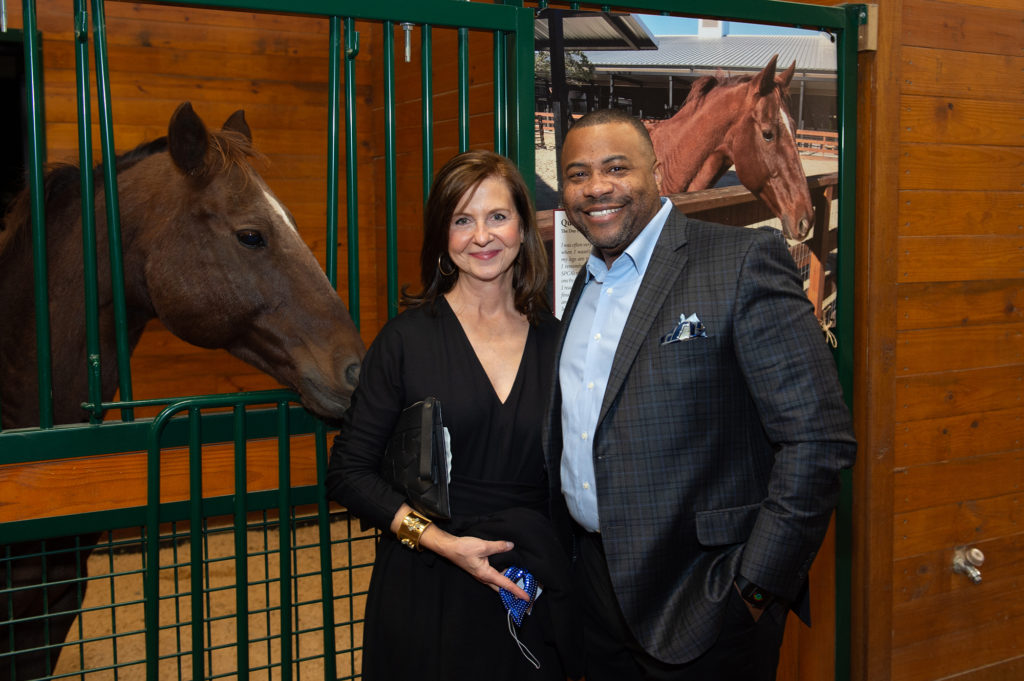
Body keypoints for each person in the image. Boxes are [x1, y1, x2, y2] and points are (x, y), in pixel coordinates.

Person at [543, 108, 857, 680]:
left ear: (656, 171)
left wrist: (755, 592)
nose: (596, 188)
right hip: (595, 594)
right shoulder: (582, 288)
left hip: (706, 602)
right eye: (577, 174)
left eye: (616, 167)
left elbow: (818, 441)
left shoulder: (738, 262)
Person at [327, 150, 582, 681]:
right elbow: (348, 472)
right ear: (443, 235)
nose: (482, 237)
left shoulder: (560, 341)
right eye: (462, 220)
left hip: (528, 580)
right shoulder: (405, 341)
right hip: (429, 578)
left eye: (497, 216)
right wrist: (440, 542)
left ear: (522, 226)